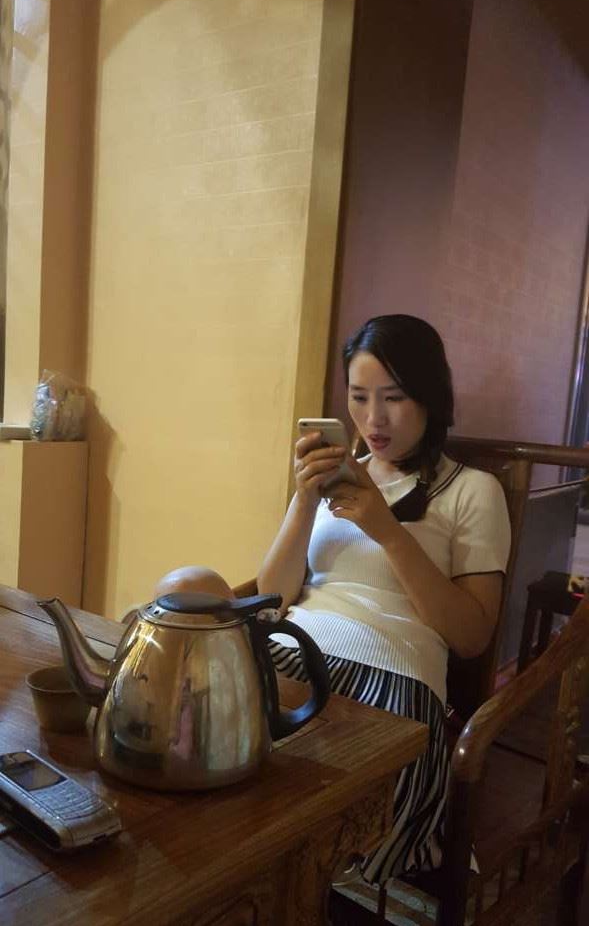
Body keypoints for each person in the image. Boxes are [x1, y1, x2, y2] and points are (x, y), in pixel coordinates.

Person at [154, 314, 511, 888]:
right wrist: (303, 500)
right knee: (180, 595)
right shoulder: (338, 476)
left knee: (286, 803)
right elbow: (272, 598)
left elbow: (471, 635)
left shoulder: (473, 490)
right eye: (359, 397)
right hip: (292, 650)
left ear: (430, 397)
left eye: (394, 397)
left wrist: (387, 530)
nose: (374, 419)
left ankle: (264, 892)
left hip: (391, 677)